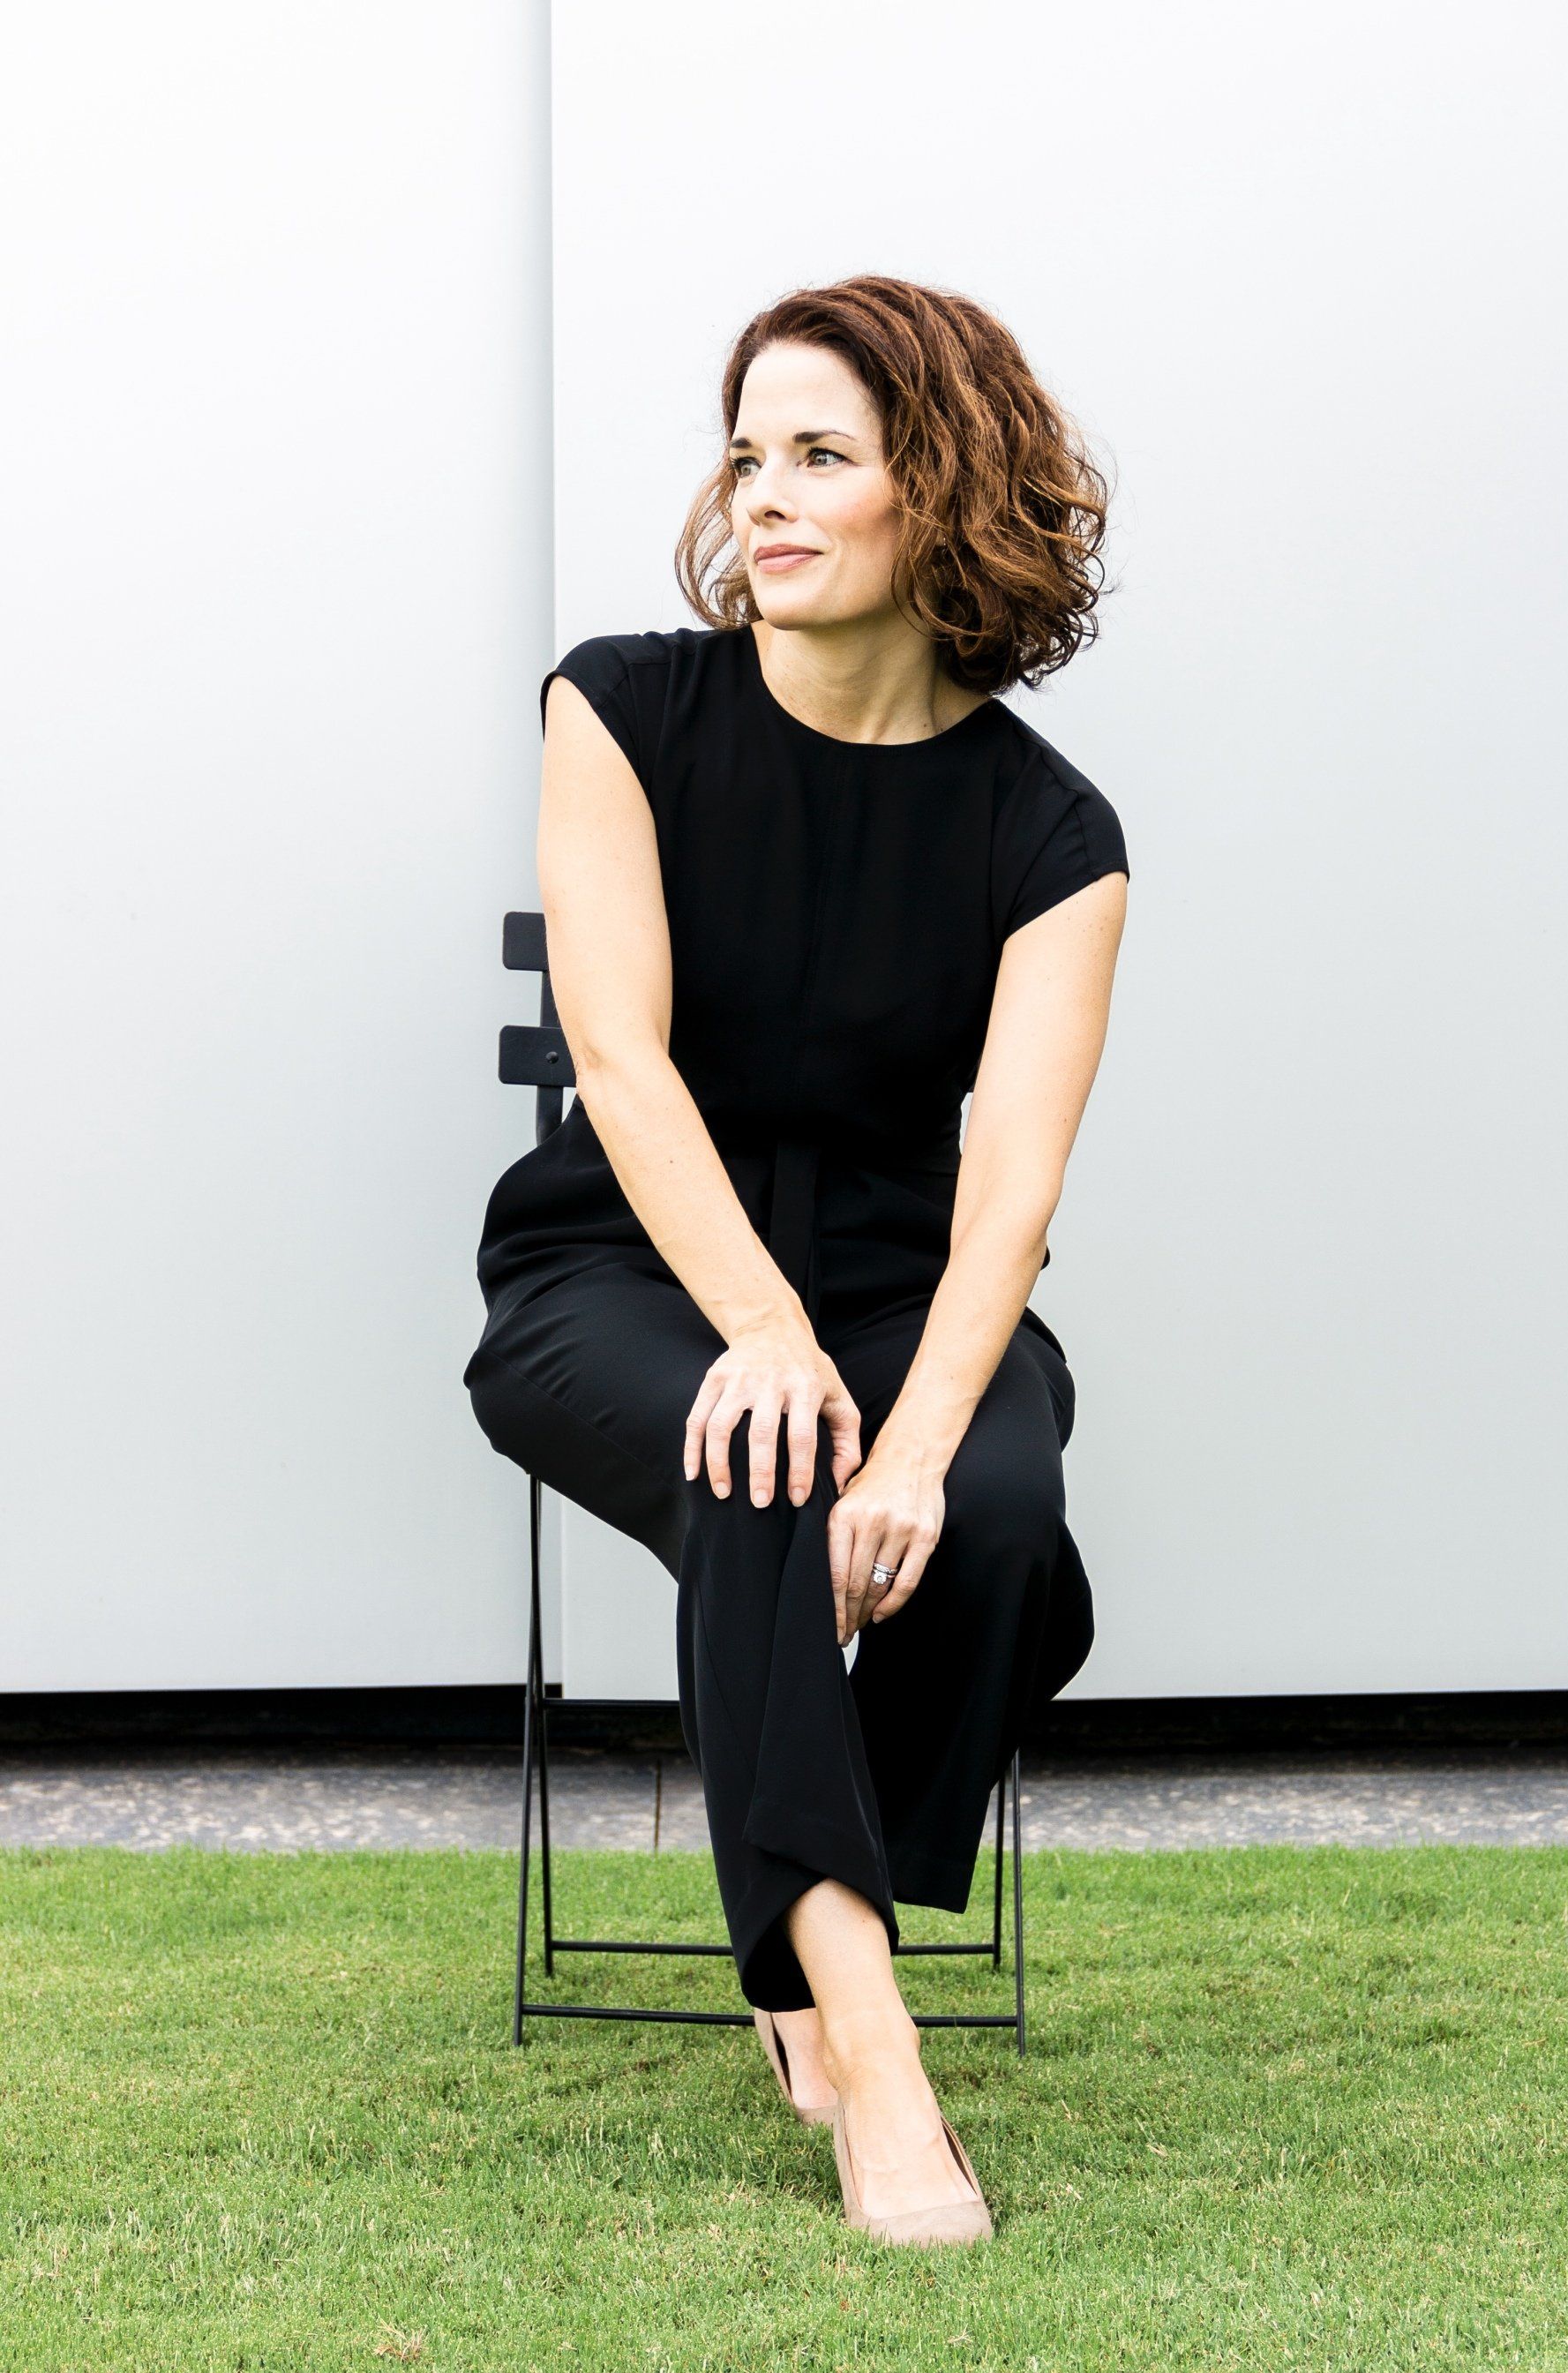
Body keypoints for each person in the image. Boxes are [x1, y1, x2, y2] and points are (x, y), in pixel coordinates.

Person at [463, 273, 1129, 2247]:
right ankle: (866, 2042)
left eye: (821, 454)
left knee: (1000, 1525)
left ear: (947, 486)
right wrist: (760, 1330)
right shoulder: (621, 707)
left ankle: (794, 1908)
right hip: (629, 1274)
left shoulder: (1054, 834)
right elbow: (620, 1054)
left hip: (909, 1296)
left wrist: (916, 1441)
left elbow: (1010, 1186)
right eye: (747, 450)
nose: (762, 493)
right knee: (760, 1457)